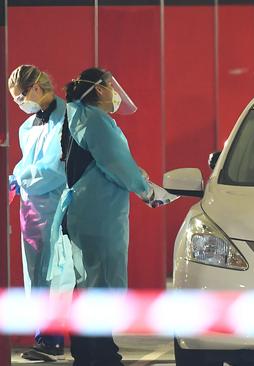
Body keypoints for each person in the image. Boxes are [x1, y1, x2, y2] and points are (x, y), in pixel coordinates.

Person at [50, 67, 153, 366]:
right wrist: (145, 189)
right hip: (98, 213)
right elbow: (117, 164)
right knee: (101, 285)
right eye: (110, 87)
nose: (116, 93)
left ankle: (86, 353)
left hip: (83, 211)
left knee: (86, 285)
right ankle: (103, 354)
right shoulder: (95, 120)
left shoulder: (76, 116)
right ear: (98, 90)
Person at [7, 65, 67, 362]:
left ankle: (52, 341)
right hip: (30, 209)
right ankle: (43, 338)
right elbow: (25, 162)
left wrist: (23, 174)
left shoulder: (66, 120)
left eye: (20, 96)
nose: (20, 102)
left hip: (56, 205)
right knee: (35, 276)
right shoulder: (27, 127)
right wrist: (17, 177)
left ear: (35, 88)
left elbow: (56, 168)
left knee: (54, 274)